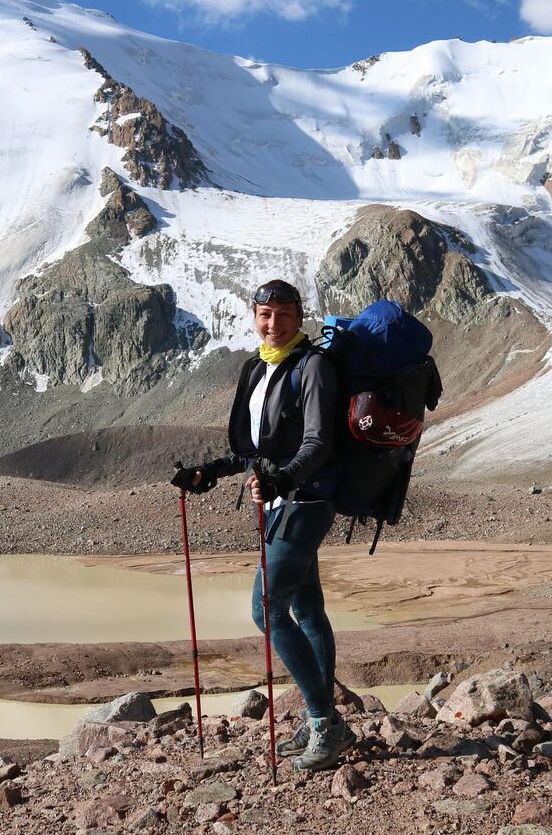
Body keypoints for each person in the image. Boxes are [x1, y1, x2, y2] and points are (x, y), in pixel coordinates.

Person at [171, 278, 355, 772]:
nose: (273, 324)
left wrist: (281, 480)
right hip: (278, 500)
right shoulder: (257, 368)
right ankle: (326, 718)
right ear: (255, 317)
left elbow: (318, 442)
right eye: (265, 315)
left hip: (307, 501)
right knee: (308, 610)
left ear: (300, 317)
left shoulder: (312, 367)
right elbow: (251, 451)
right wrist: (208, 471)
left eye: (284, 315)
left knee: (267, 609)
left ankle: (324, 723)